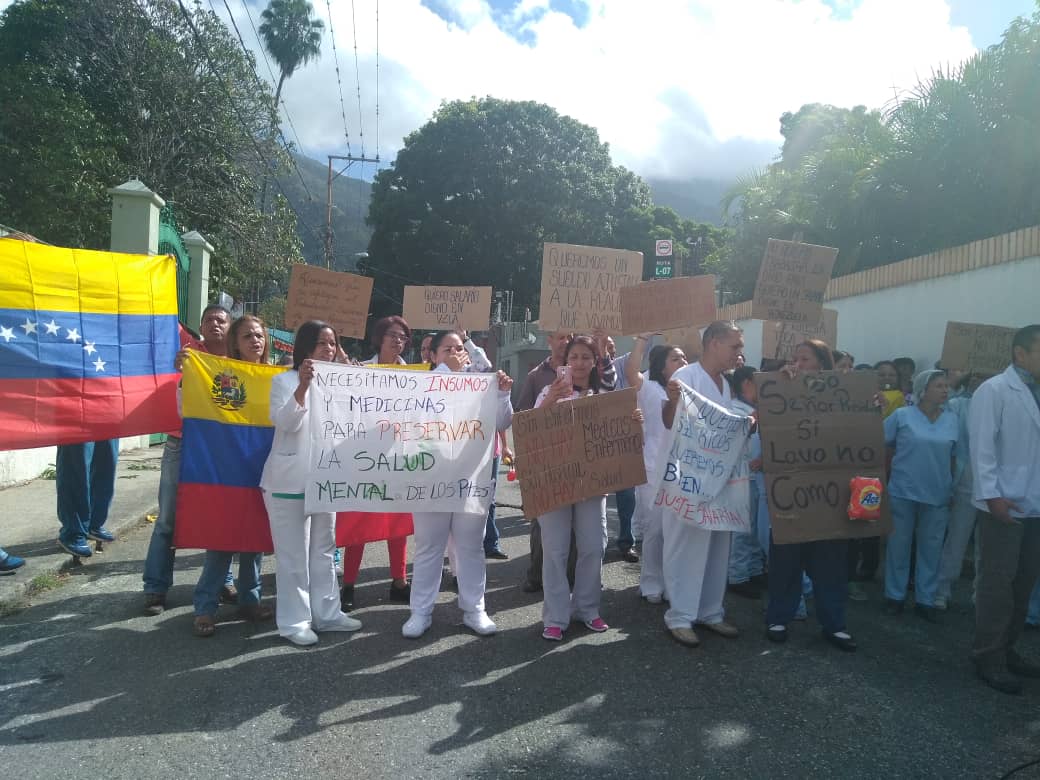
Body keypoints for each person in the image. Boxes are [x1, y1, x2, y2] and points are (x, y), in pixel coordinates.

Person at [402, 330, 514, 638]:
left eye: (459, 348)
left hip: (470, 478)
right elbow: (412, 422)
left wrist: (502, 395)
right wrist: (447, 374)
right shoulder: (421, 385)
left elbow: (502, 422)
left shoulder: (481, 383)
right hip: (430, 480)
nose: (455, 353)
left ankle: (474, 609)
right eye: (447, 349)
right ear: (434, 355)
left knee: (470, 547)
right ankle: (420, 612)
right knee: (429, 548)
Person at [261, 320, 362, 646]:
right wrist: (302, 387)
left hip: (326, 479)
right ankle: (295, 622)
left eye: (333, 343)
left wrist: (350, 375)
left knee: (323, 550)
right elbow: (285, 422)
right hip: (288, 481)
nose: (328, 349)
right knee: (293, 555)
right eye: (321, 343)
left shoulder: (337, 385)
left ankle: (327, 613)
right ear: (305, 347)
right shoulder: (283, 381)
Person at [536, 334, 633, 641]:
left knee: (593, 546)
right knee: (555, 550)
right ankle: (555, 616)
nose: (579, 363)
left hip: (592, 484)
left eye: (586, 358)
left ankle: (587, 609)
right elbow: (530, 430)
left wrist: (633, 421)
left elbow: (618, 427)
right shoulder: (547, 392)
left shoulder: (604, 394)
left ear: (595, 363)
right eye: (574, 357)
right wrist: (552, 398)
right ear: (565, 361)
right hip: (555, 481)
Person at [764, 339, 856, 652]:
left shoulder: (843, 395)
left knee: (830, 561)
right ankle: (778, 617)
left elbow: (858, 432)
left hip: (829, 495)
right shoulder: (781, 390)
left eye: (804, 359)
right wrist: (779, 386)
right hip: (792, 491)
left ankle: (834, 623)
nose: (798, 364)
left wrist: (873, 407)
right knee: (786, 557)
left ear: (822, 364)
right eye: (796, 358)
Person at [143, 305, 234, 615]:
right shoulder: (186, 355)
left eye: (221, 320)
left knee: (220, 516)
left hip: (220, 450)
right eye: (209, 320)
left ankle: (223, 578)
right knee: (167, 518)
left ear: (230, 326)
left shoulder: (241, 361)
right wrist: (178, 367)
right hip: (181, 443)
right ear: (201, 326)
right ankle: (155, 587)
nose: (215, 325)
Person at [660, 321, 746, 647]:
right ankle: (680, 616)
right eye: (734, 346)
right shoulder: (686, 377)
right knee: (686, 547)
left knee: (717, 547)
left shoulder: (726, 384)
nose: (739, 353)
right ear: (713, 343)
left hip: (719, 480)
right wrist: (670, 401)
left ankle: (711, 612)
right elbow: (669, 421)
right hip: (688, 480)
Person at [191, 315, 275, 637]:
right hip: (228, 467)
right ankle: (205, 607)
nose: (255, 341)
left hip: (261, 466)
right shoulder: (218, 372)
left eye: (259, 335)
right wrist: (186, 367)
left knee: (254, 538)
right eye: (247, 336)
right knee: (222, 540)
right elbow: (194, 398)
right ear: (235, 343)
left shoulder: (276, 375)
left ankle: (250, 601)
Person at [969, 324, 1040, 694]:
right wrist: (991, 496)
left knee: (1024, 581)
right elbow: (982, 449)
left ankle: (1008, 648)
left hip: (1037, 506)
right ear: (1020, 353)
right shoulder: (994, 390)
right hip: (1005, 503)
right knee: (998, 582)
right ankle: (988, 655)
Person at [343, 315, 416, 606]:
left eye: (402, 336)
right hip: (365, 457)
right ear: (380, 338)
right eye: (393, 335)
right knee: (357, 523)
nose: (398, 341)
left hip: (398, 458)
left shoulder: (414, 375)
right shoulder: (362, 371)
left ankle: (399, 582)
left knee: (398, 523)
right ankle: (348, 584)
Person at [882, 370, 958, 623]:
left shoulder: (953, 419)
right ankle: (895, 596)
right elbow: (880, 441)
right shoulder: (902, 416)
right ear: (923, 389)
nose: (945, 390)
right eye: (939, 385)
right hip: (903, 490)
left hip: (938, 494)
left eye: (947, 386)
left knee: (931, 549)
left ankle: (926, 599)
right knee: (898, 546)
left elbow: (956, 457)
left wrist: (954, 488)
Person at [624, 334, 688, 604]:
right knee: (655, 528)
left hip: (682, 469)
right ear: (662, 367)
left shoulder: (690, 390)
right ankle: (651, 582)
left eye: (684, 357)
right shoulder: (649, 387)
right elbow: (630, 373)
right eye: (676, 358)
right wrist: (641, 340)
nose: (683, 361)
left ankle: (673, 582)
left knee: (678, 529)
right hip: (652, 467)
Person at [516, 329, 574, 593]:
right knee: (541, 523)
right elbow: (522, 417)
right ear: (549, 340)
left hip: (576, 459)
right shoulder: (536, 376)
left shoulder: (586, 372)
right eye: (560, 337)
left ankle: (571, 576)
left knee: (575, 525)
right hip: (544, 460)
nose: (565, 341)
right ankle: (535, 575)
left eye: (570, 336)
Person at [935, 372, 985, 609]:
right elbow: (939, 408)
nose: (981, 384)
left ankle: (982, 593)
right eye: (977, 380)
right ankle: (942, 589)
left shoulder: (1009, 405)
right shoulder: (959, 405)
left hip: (996, 487)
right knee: (956, 539)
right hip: (965, 483)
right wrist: (954, 383)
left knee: (988, 545)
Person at [726, 366, 767, 599]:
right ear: (747, 384)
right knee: (741, 528)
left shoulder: (757, 408)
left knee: (753, 529)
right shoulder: (735, 408)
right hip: (741, 476)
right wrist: (756, 418)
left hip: (757, 477)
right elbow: (736, 433)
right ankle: (737, 576)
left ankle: (754, 570)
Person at [54, 438, 119, 558]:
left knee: (106, 461)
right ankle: (73, 532)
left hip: (108, 419)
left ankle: (94, 524)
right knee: (75, 463)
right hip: (75, 420)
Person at [606, 335, 638, 563]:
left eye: (612, 347)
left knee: (627, 495)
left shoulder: (624, 367)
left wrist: (644, 336)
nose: (609, 351)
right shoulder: (586, 370)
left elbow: (639, 353)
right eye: (605, 347)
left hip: (623, 440)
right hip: (595, 442)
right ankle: (589, 544)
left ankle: (626, 542)